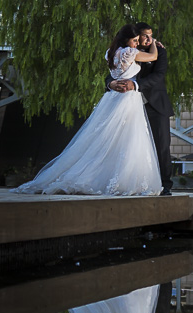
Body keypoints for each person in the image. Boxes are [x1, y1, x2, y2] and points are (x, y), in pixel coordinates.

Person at [14, 24, 162, 196]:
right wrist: (154, 43)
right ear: (125, 40)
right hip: (127, 98)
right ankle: (123, 178)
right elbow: (153, 56)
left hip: (113, 97)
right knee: (129, 137)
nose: (136, 44)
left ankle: (109, 175)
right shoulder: (129, 52)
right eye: (134, 40)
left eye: (137, 40)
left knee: (109, 137)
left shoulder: (110, 52)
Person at [109, 22, 174, 196]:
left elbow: (158, 76)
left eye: (151, 35)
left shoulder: (160, 51)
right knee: (131, 146)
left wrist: (136, 85)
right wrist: (110, 83)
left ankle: (165, 185)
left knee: (161, 146)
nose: (148, 39)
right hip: (130, 107)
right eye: (145, 35)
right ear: (136, 36)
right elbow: (112, 73)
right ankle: (135, 183)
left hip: (155, 105)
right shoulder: (125, 51)